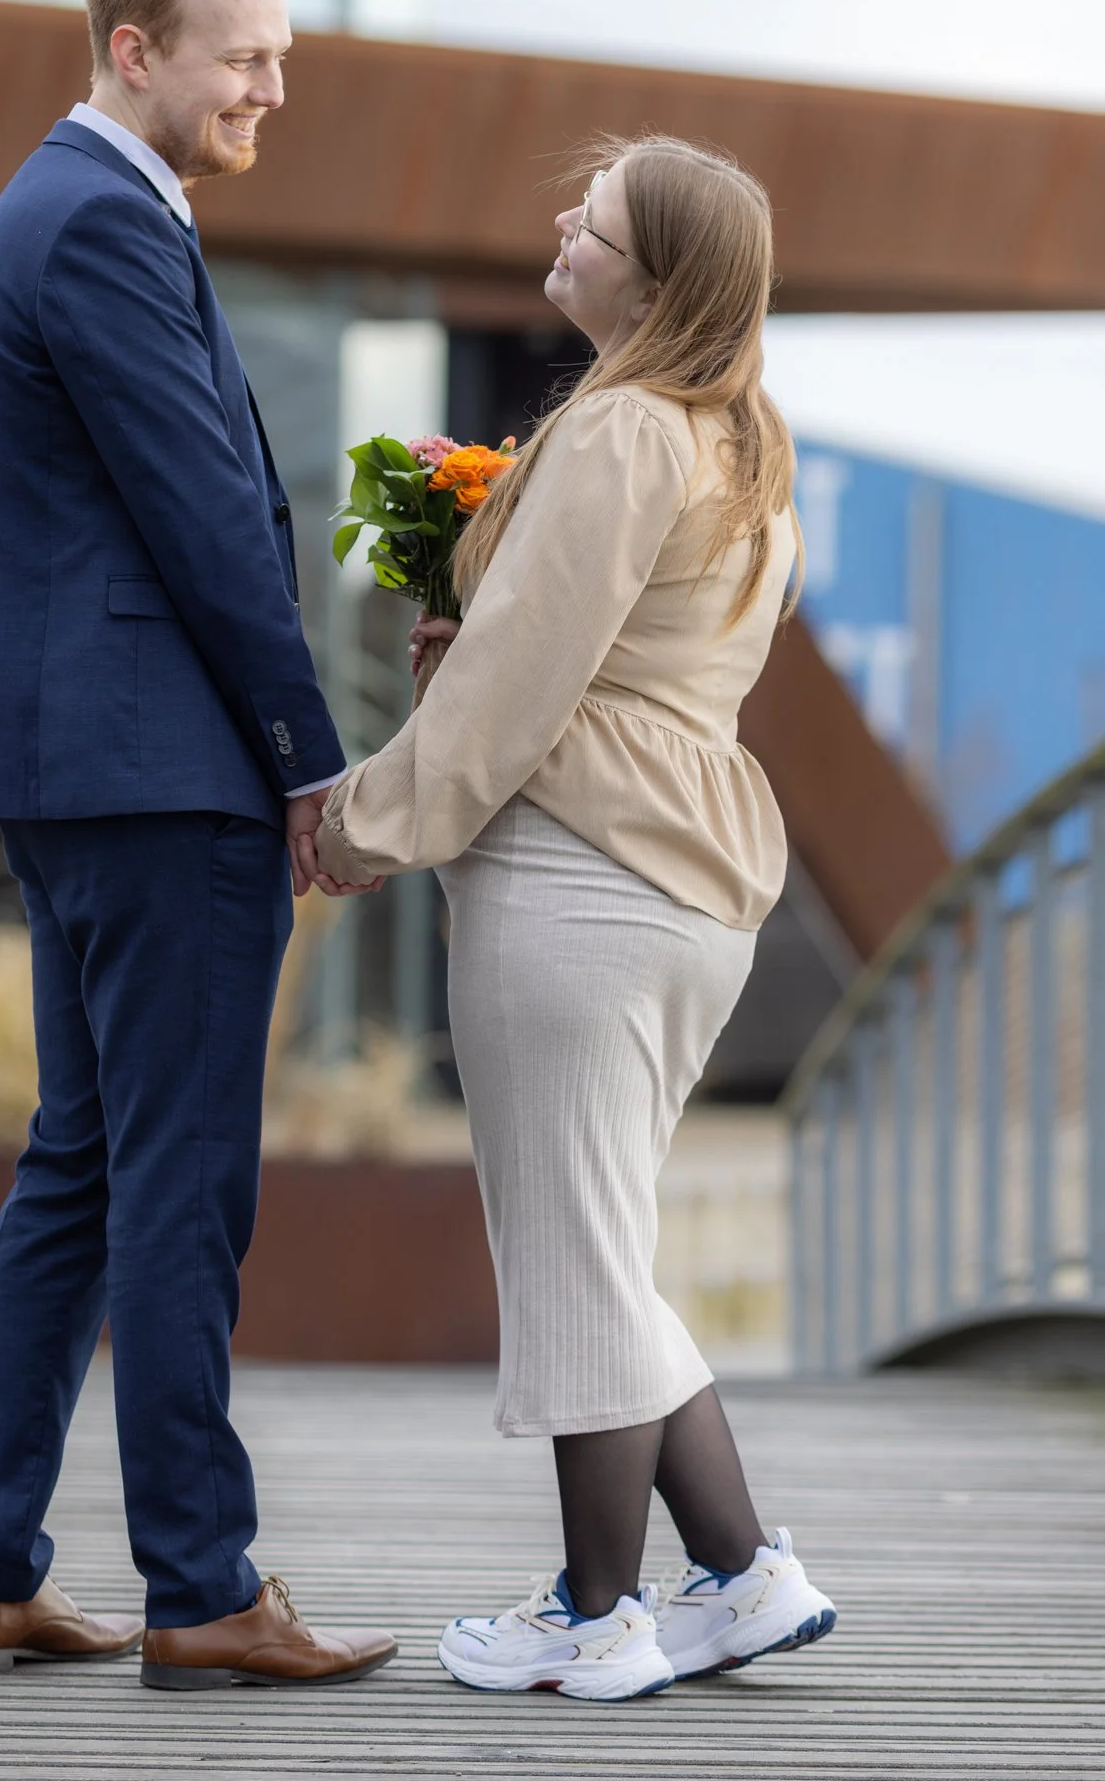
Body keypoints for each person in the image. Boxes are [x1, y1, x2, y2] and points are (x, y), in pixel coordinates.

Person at [0, 0, 393, 1691]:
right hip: (157, 778)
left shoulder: (66, 206)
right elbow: (209, 527)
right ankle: (201, 1586)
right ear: (136, 50)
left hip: (80, 775)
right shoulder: (102, 223)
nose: (274, 84)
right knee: (178, 1190)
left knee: (85, 1168)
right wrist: (309, 765)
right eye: (243, 54)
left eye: (280, 50)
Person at [308, 136, 837, 1701]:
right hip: (682, 889)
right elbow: (605, 661)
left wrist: (361, 825)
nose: (562, 224)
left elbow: (521, 682)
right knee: (598, 1243)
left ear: (655, 281)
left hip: (579, 880)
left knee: (573, 1258)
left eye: (591, 223)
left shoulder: (618, 433)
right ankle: (739, 1575)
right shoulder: (745, 448)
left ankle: (595, 1618)